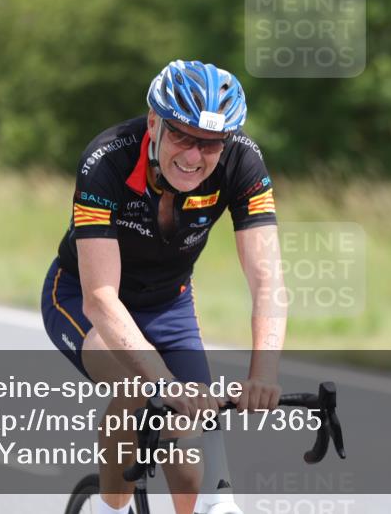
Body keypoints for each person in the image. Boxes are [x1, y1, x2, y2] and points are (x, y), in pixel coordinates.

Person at [41, 60, 287, 514]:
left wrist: (264, 375)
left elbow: (267, 276)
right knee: (138, 387)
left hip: (167, 304)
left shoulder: (243, 161)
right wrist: (166, 383)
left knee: (192, 476)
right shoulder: (107, 159)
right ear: (154, 122)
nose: (195, 156)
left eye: (211, 143)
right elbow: (100, 298)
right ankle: (108, 508)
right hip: (81, 296)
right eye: (182, 135)